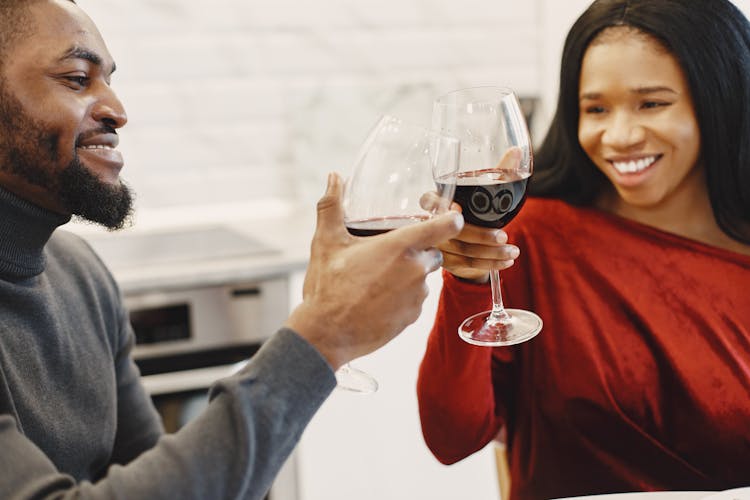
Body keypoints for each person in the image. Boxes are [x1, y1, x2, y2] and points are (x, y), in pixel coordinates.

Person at [0, 0, 464, 498]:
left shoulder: (81, 274)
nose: (117, 110)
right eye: (76, 78)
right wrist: (323, 333)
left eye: (109, 80)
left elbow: (164, 476)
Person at [417, 0, 750, 499]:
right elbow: (452, 439)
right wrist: (464, 282)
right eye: (595, 109)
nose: (618, 136)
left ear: (722, 95)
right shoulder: (530, 240)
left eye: (652, 103)